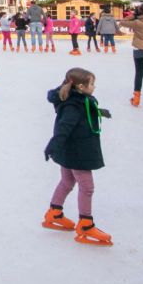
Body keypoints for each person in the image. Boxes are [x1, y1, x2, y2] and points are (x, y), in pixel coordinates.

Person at [42, 68, 113, 246]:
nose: (94, 87)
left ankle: (54, 212)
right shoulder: (74, 105)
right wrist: (53, 145)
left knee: (67, 181)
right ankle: (86, 224)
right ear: (81, 86)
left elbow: (81, 115)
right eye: (92, 84)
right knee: (87, 187)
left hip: (70, 150)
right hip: (77, 151)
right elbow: (64, 127)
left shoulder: (79, 100)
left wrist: (98, 111)